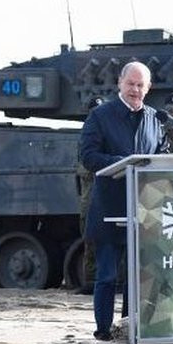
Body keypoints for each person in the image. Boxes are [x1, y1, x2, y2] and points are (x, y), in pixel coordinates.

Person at [79, 62, 167, 341]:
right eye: (131, 84)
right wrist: (122, 163)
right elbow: (88, 156)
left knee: (137, 279)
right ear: (120, 83)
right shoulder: (100, 116)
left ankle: (130, 329)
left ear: (148, 88)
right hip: (110, 208)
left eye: (141, 85)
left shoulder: (155, 118)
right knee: (107, 276)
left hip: (144, 210)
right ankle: (103, 331)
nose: (135, 90)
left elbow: (161, 156)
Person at [75, 95, 107, 295]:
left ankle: (112, 278)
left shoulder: (108, 134)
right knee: (88, 236)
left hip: (104, 192)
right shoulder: (85, 136)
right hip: (89, 193)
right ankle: (89, 280)